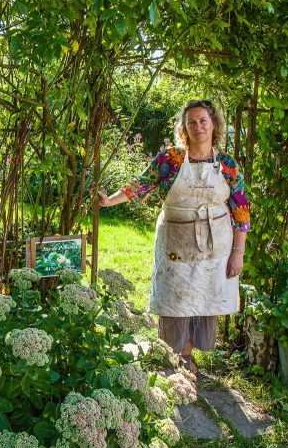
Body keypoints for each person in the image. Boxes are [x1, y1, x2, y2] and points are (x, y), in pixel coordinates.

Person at [97, 99, 250, 377]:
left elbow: (241, 210)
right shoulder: (171, 159)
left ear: (214, 124)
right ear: (184, 127)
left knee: (203, 299)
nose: (198, 126)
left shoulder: (227, 165)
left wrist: (238, 252)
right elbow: (140, 185)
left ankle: (189, 355)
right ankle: (176, 356)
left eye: (203, 120)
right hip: (176, 241)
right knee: (176, 299)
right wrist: (109, 202)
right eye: (191, 122)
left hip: (214, 246)